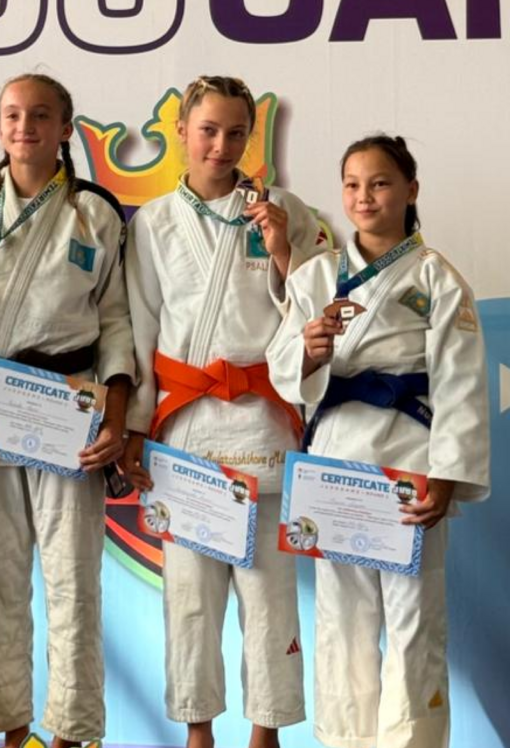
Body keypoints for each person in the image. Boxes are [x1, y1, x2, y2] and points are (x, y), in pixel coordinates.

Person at [0, 73, 134, 748]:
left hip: (70, 403)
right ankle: (9, 728)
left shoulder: (95, 212)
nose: (25, 127)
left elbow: (117, 320)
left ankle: (70, 733)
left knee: (73, 576)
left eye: (40, 115)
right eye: (12, 114)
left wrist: (117, 415)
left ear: (65, 128)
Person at [122, 76, 326, 748]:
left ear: (250, 137)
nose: (221, 144)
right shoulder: (152, 223)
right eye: (208, 130)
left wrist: (284, 251)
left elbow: (316, 312)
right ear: (182, 130)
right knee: (189, 598)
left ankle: (265, 732)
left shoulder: (283, 210)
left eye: (236, 132)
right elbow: (141, 327)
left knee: (269, 595)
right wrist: (135, 429)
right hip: (185, 425)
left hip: (261, 422)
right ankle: (198, 731)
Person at [268, 135, 490, 748]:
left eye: (380, 183)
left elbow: (461, 383)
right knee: (340, 618)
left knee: (414, 618)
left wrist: (447, 475)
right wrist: (309, 352)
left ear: (411, 190)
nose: (363, 197)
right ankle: (345, 740)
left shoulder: (436, 277)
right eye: (351, 185)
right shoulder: (316, 275)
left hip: (408, 465)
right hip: (335, 463)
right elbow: (282, 365)